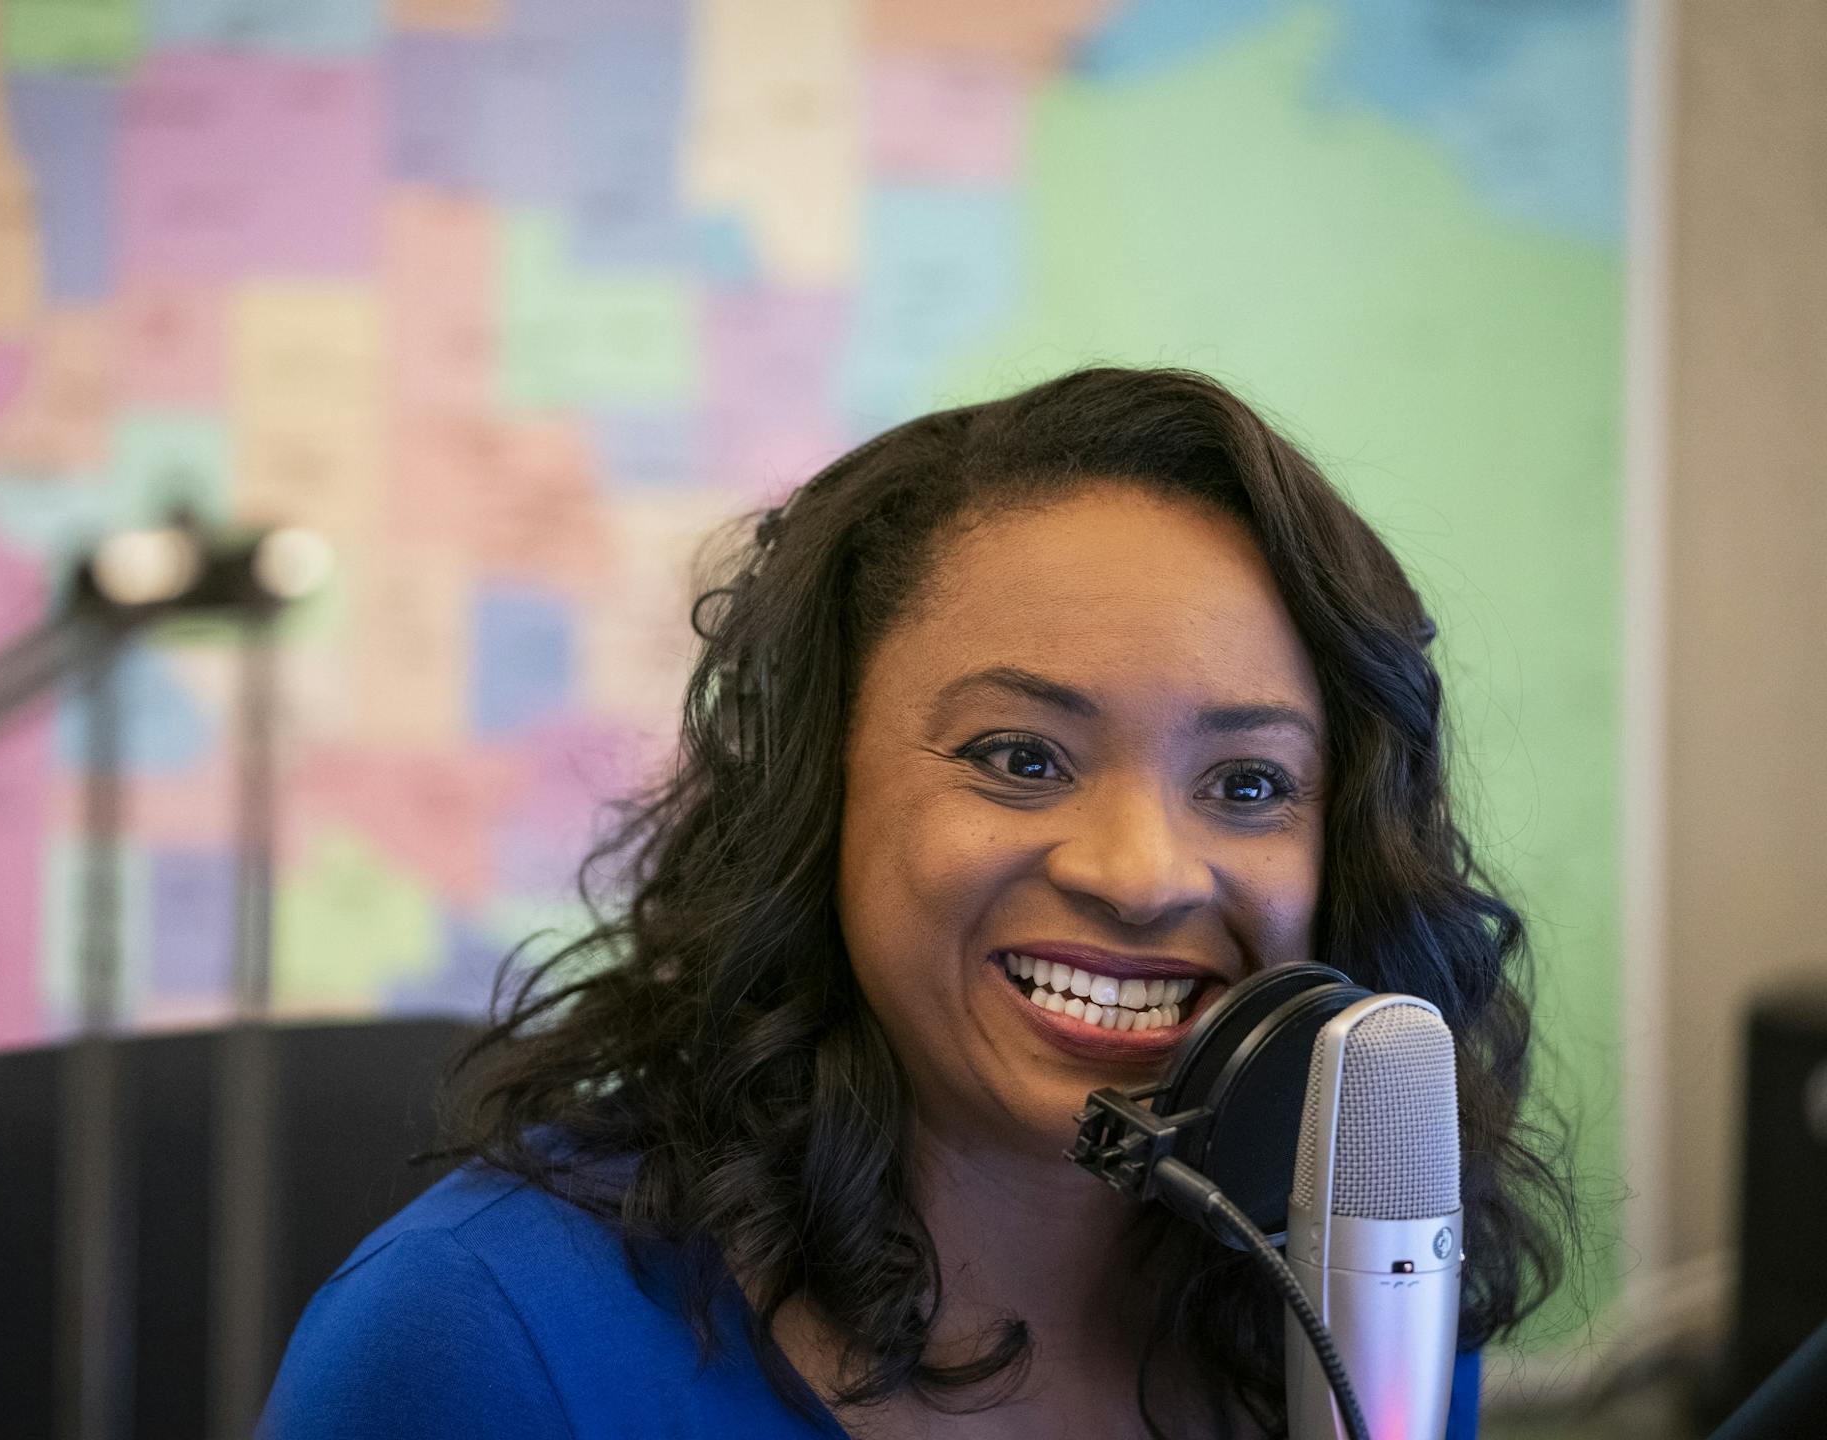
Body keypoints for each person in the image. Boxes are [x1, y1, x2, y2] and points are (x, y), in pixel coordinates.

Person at [257, 368, 1572, 1438]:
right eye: (1021, 758)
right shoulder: (480, 1343)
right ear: (818, 793)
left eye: (1246, 781)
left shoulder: (1371, 1291)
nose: (1142, 873)